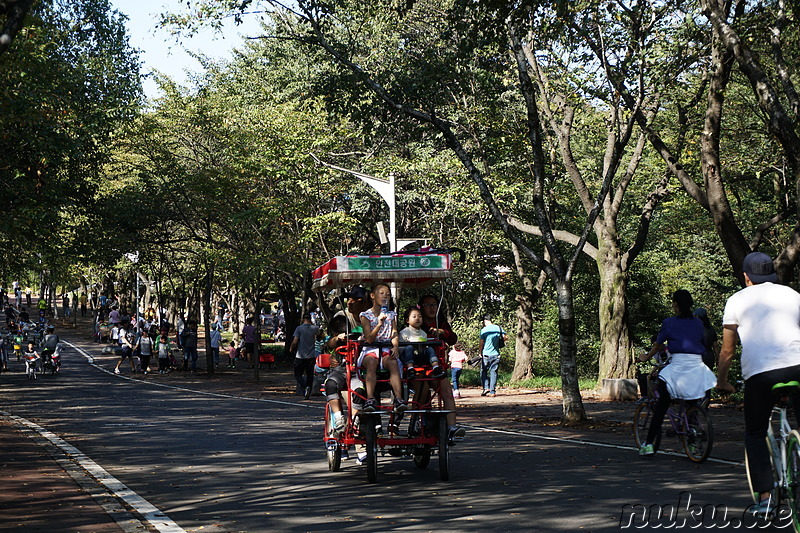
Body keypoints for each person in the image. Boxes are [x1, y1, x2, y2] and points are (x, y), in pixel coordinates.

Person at [717, 252, 800, 516]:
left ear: (746, 277)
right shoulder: (792, 294)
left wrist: (722, 381)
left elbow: (728, 350)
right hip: (798, 367)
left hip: (761, 375)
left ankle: (765, 498)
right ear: (772, 275)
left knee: (755, 432)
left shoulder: (736, 300)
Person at [637, 289, 716, 457]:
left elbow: (658, 345)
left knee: (661, 405)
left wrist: (646, 357)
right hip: (697, 367)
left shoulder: (669, 322)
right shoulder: (698, 323)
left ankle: (649, 444)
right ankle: (693, 444)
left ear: (676, 304)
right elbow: (702, 343)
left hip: (678, 367)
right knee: (692, 404)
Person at [417, 294, 465, 443]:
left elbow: (453, 339)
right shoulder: (416, 322)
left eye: (434, 305)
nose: (431, 308)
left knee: (447, 392)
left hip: (436, 368)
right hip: (417, 367)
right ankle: (422, 422)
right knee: (423, 393)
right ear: (421, 308)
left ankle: (452, 428)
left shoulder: (441, 323)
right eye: (427, 305)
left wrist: (442, 332)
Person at [359, 283, 406, 414]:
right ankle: (370, 398)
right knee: (372, 362)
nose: (385, 296)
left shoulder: (392, 315)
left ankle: (398, 398)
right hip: (370, 349)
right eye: (382, 293)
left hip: (385, 348)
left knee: (392, 362)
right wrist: (379, 324)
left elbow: (394, 332)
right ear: (373, 296)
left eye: (388, 294)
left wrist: (395, 346)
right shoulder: (365, 315)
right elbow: (368, 338)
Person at [399, 306, 445, 379]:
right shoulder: (403, 332)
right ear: (407, 320)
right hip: (408, 358)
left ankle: (436, 367)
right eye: (414, 317)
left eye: (420, 316)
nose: (417, 318)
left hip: (420, 356)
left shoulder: (423, 333)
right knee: (409, 348)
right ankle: (410, 369)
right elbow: (400, 349)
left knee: (429, 349)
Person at [290, 312, 322, 399]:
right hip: (311, 355)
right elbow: (320, 336)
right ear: (310, 319)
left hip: (300, 355)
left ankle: (304, 387)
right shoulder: (315, 328)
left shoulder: (299, 329)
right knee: (310, 374)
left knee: (298, 374)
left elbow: (295, 341)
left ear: (303, 319)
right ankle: (308, 388)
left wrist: (291, 349)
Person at [479, 315, 507, 397]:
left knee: (483, 371)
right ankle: (492, 391)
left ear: (484, 321)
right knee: (493, 372)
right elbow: (505, 337)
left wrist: (480, 352)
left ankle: (486, 387)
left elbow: (481, 343)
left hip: (486, 354)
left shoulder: (484, 330)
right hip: (496, 354)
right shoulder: (498, 328)